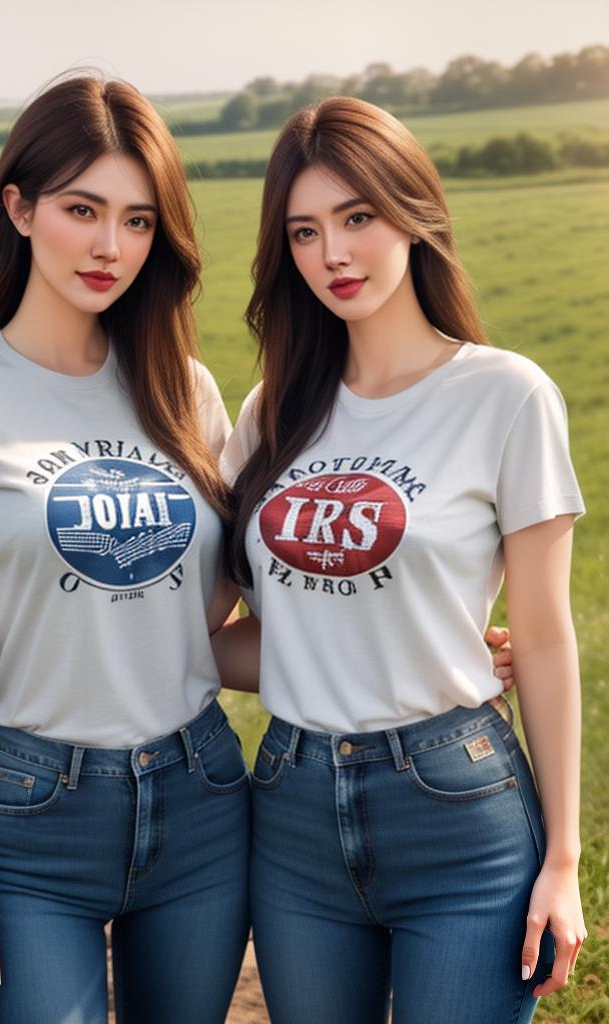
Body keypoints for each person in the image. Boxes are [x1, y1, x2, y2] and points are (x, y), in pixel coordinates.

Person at [0, 74, 251, 1024]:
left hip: (200, 789)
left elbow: (208, 619)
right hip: (32, 810)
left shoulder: (185, 388)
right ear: (20, 207)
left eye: (135, 220)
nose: (109, 247)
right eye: (83, 210)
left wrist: (437, 658)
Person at [214, 96, 586, 1023]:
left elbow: (542, 640)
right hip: (292, 807)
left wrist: (566, 862)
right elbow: (238, 634)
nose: (332, 254)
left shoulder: (505, 396)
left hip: (456, 807)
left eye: (357, 218)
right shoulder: (273, 411)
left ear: (413, 215)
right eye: (304, 232)